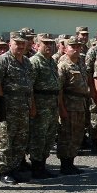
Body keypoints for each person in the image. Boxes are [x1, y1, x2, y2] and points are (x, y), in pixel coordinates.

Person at [0, 31, 35, 185]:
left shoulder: (26, 62)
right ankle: (5, 171)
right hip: (8, 107)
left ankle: (15, 168)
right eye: (17, 43)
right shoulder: (3, 61)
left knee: (20, 139)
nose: (20, 46)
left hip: (23, 106)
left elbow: (29, 86)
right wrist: (1, 105)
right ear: (10, 44)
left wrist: (31, 105)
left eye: (22, 43)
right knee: (5, 140)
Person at [29, 33, 60, 179]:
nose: (48, 46)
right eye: (45, 43)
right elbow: (30, 88)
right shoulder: (34, 62)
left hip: (52, 104)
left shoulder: (52, 62)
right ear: (37, 45)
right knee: (38, 138)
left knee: (49, 137)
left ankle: (42, 165)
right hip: (41, 104)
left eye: (51, 43)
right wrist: (33, 107)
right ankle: (36, 167)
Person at [57, 37, 90, 175]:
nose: (76, 49)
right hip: (69, 105)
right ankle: (64, 164)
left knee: (77, 135)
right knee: (66, 135)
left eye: (78, 46)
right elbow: (59, 90)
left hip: (80, 104)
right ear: (65, 49)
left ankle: (71, 162)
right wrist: (62, 109)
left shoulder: (81, 64)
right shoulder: (63, 65)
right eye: (73, 47)